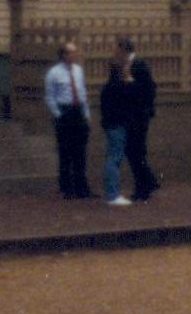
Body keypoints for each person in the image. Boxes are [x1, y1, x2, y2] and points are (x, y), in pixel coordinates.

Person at [44, 41, 93, 199]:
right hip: (64, 111)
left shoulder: (78, 70)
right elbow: (50, 96)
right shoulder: (54, 73)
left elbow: (82, 91)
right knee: (66, 152)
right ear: (64, 55)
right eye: (71, 52)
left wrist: (86, 113)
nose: (75, 55)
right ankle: (67, 188)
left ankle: (82, 188)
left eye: (75, 52)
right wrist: (58, 114)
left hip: (78, 110)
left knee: (80, 152)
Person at [116, 36, 160, 202]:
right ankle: (148, 181)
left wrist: (128, 81)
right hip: (130, 115)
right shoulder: (127, 65)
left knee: (135, 150)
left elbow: (147, 89)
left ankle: (143, 186)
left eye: (118, 49)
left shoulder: (139, 65)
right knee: (134, 150)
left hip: (138, 116)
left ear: (124, 49)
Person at [96, 55, 138, 207]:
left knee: (112, 156)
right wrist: (130, 82)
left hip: (111, 125)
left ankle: (111, 192)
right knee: (114, 158)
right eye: (126, 67)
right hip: (118, 125)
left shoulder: (109, 86)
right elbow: (132, 98)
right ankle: (112, 194)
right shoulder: (121, 86)